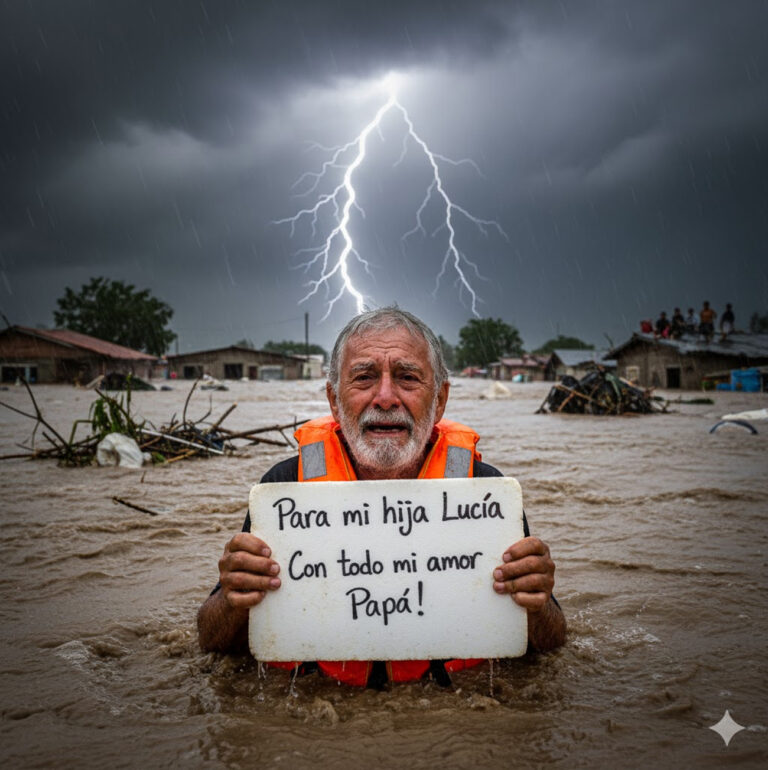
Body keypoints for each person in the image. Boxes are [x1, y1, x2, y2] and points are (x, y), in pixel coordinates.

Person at [197, 308, 566, 685]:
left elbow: (551, 643)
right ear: (333, 400)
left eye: (407, 378)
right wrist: (232, 596)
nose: (386, 398)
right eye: (364, 378)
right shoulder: (284, 489)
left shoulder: (486, 494)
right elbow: (212, 641)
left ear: (439, 400)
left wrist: (537, 600)